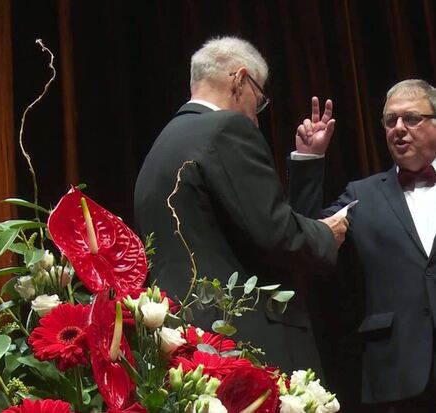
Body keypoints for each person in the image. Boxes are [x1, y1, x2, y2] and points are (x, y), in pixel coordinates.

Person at [134, 36, 348, 372]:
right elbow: (274, 232)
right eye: (258, 101)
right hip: (240, 338)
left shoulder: (161, 145)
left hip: (180, 338)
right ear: (240, 79)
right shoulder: (225, 128)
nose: (256, 119)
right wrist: (325, 234)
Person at [289, 79, 436, 412]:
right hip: (397, 373)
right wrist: (309, 159)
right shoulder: (363, 195)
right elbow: (307, 236)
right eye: (390, 120)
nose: (399, 128)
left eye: (412, 118)